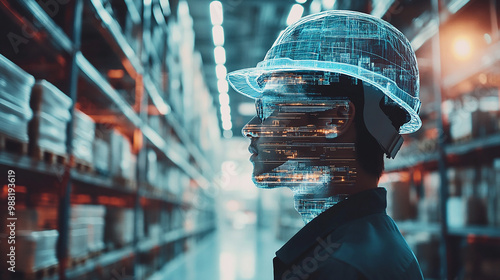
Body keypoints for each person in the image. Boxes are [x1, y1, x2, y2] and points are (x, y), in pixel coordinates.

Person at [227, 10, 424, 280]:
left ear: (334, 119)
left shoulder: (340, 269)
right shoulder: (360, 247)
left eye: (269, 107)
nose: (249, 127)